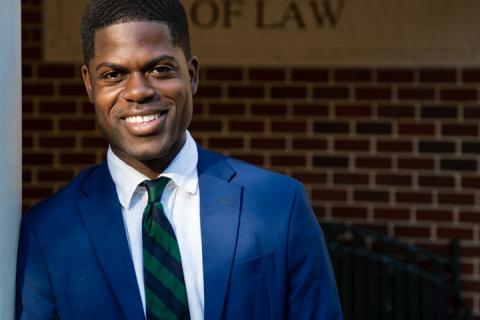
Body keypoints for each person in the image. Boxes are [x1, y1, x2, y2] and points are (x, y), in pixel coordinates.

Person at [16, 0, 343, 319]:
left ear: (192, 74)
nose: (138, 91)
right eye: (114, 74)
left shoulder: (279, 205)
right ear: (89, 85)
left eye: (159, 69)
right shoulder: (46, 232)